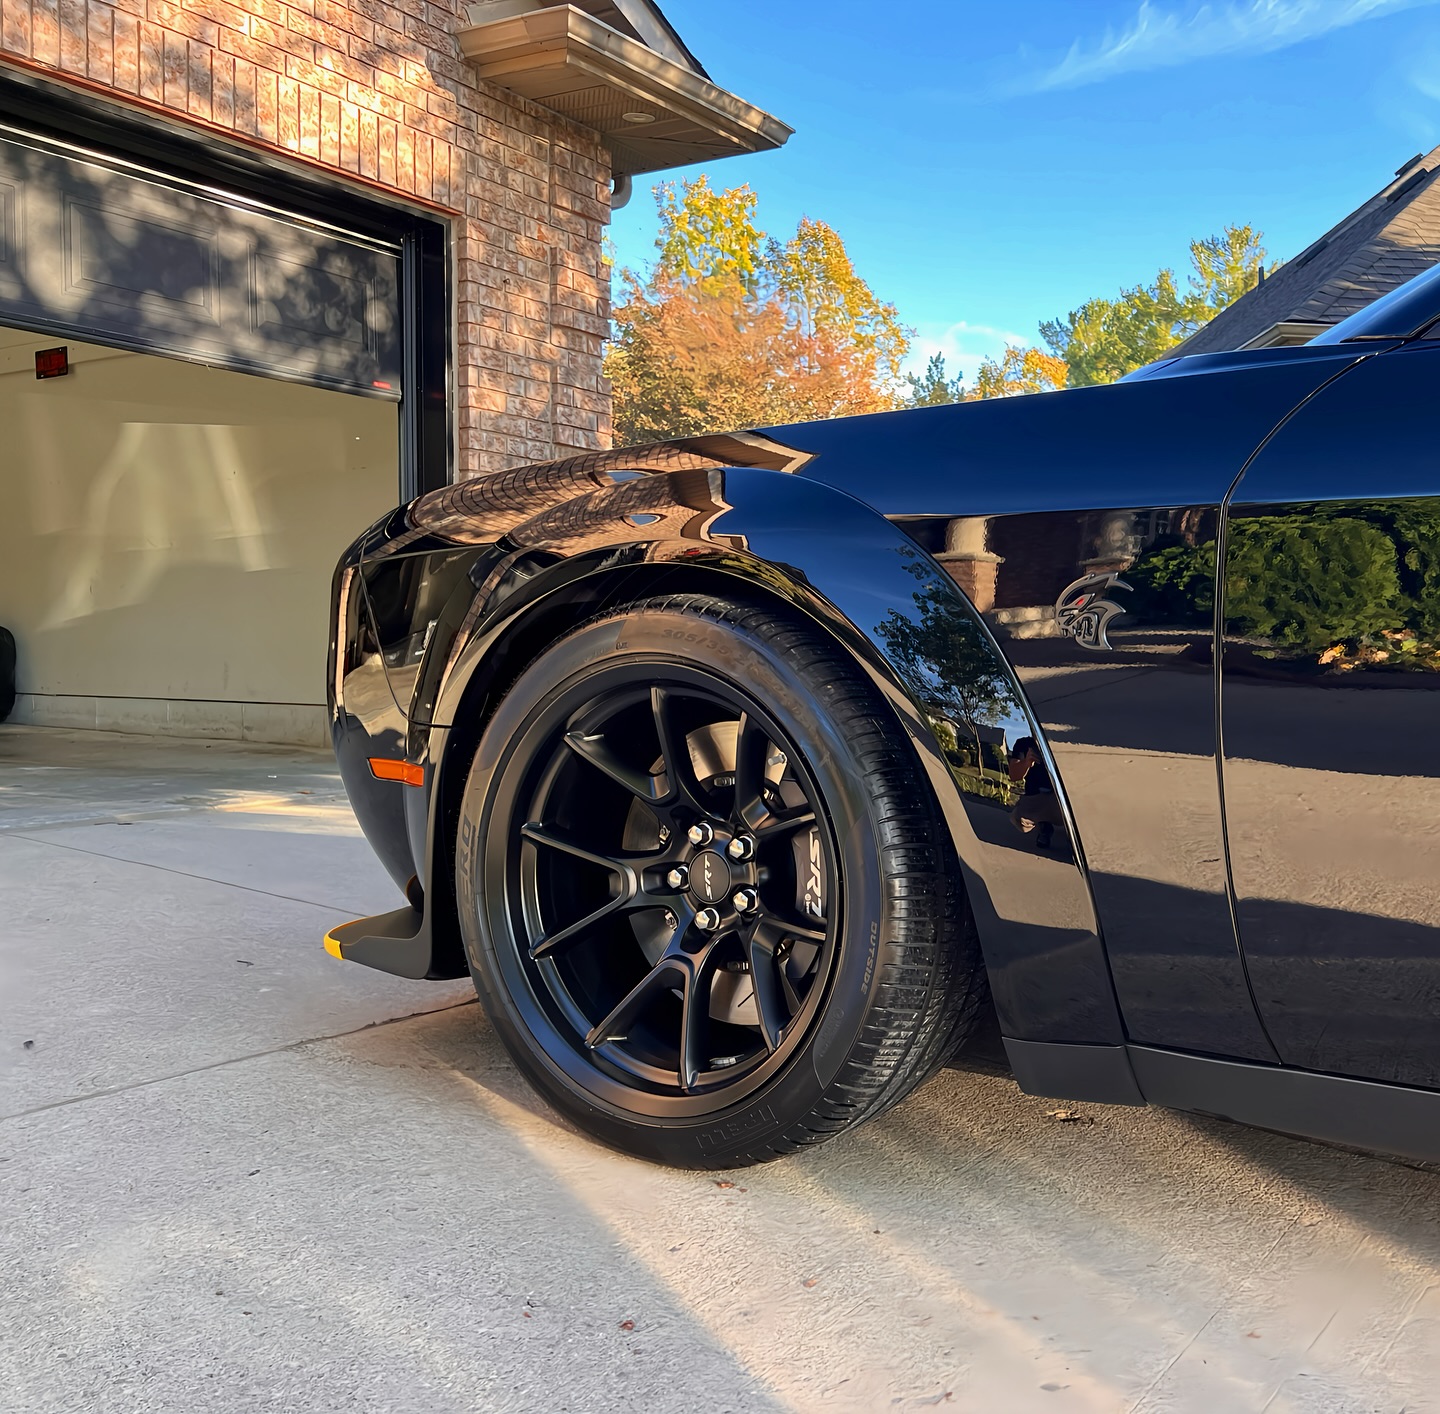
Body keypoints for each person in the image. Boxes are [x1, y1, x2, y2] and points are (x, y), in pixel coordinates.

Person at [1007, 736, 1064, 850]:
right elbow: (1014, 775)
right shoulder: (1024, 744)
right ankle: (1044, 827)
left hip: (1059, 799)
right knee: (1018, 819)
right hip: (1035, 798)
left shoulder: (1063, 743)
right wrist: (1027, 762)